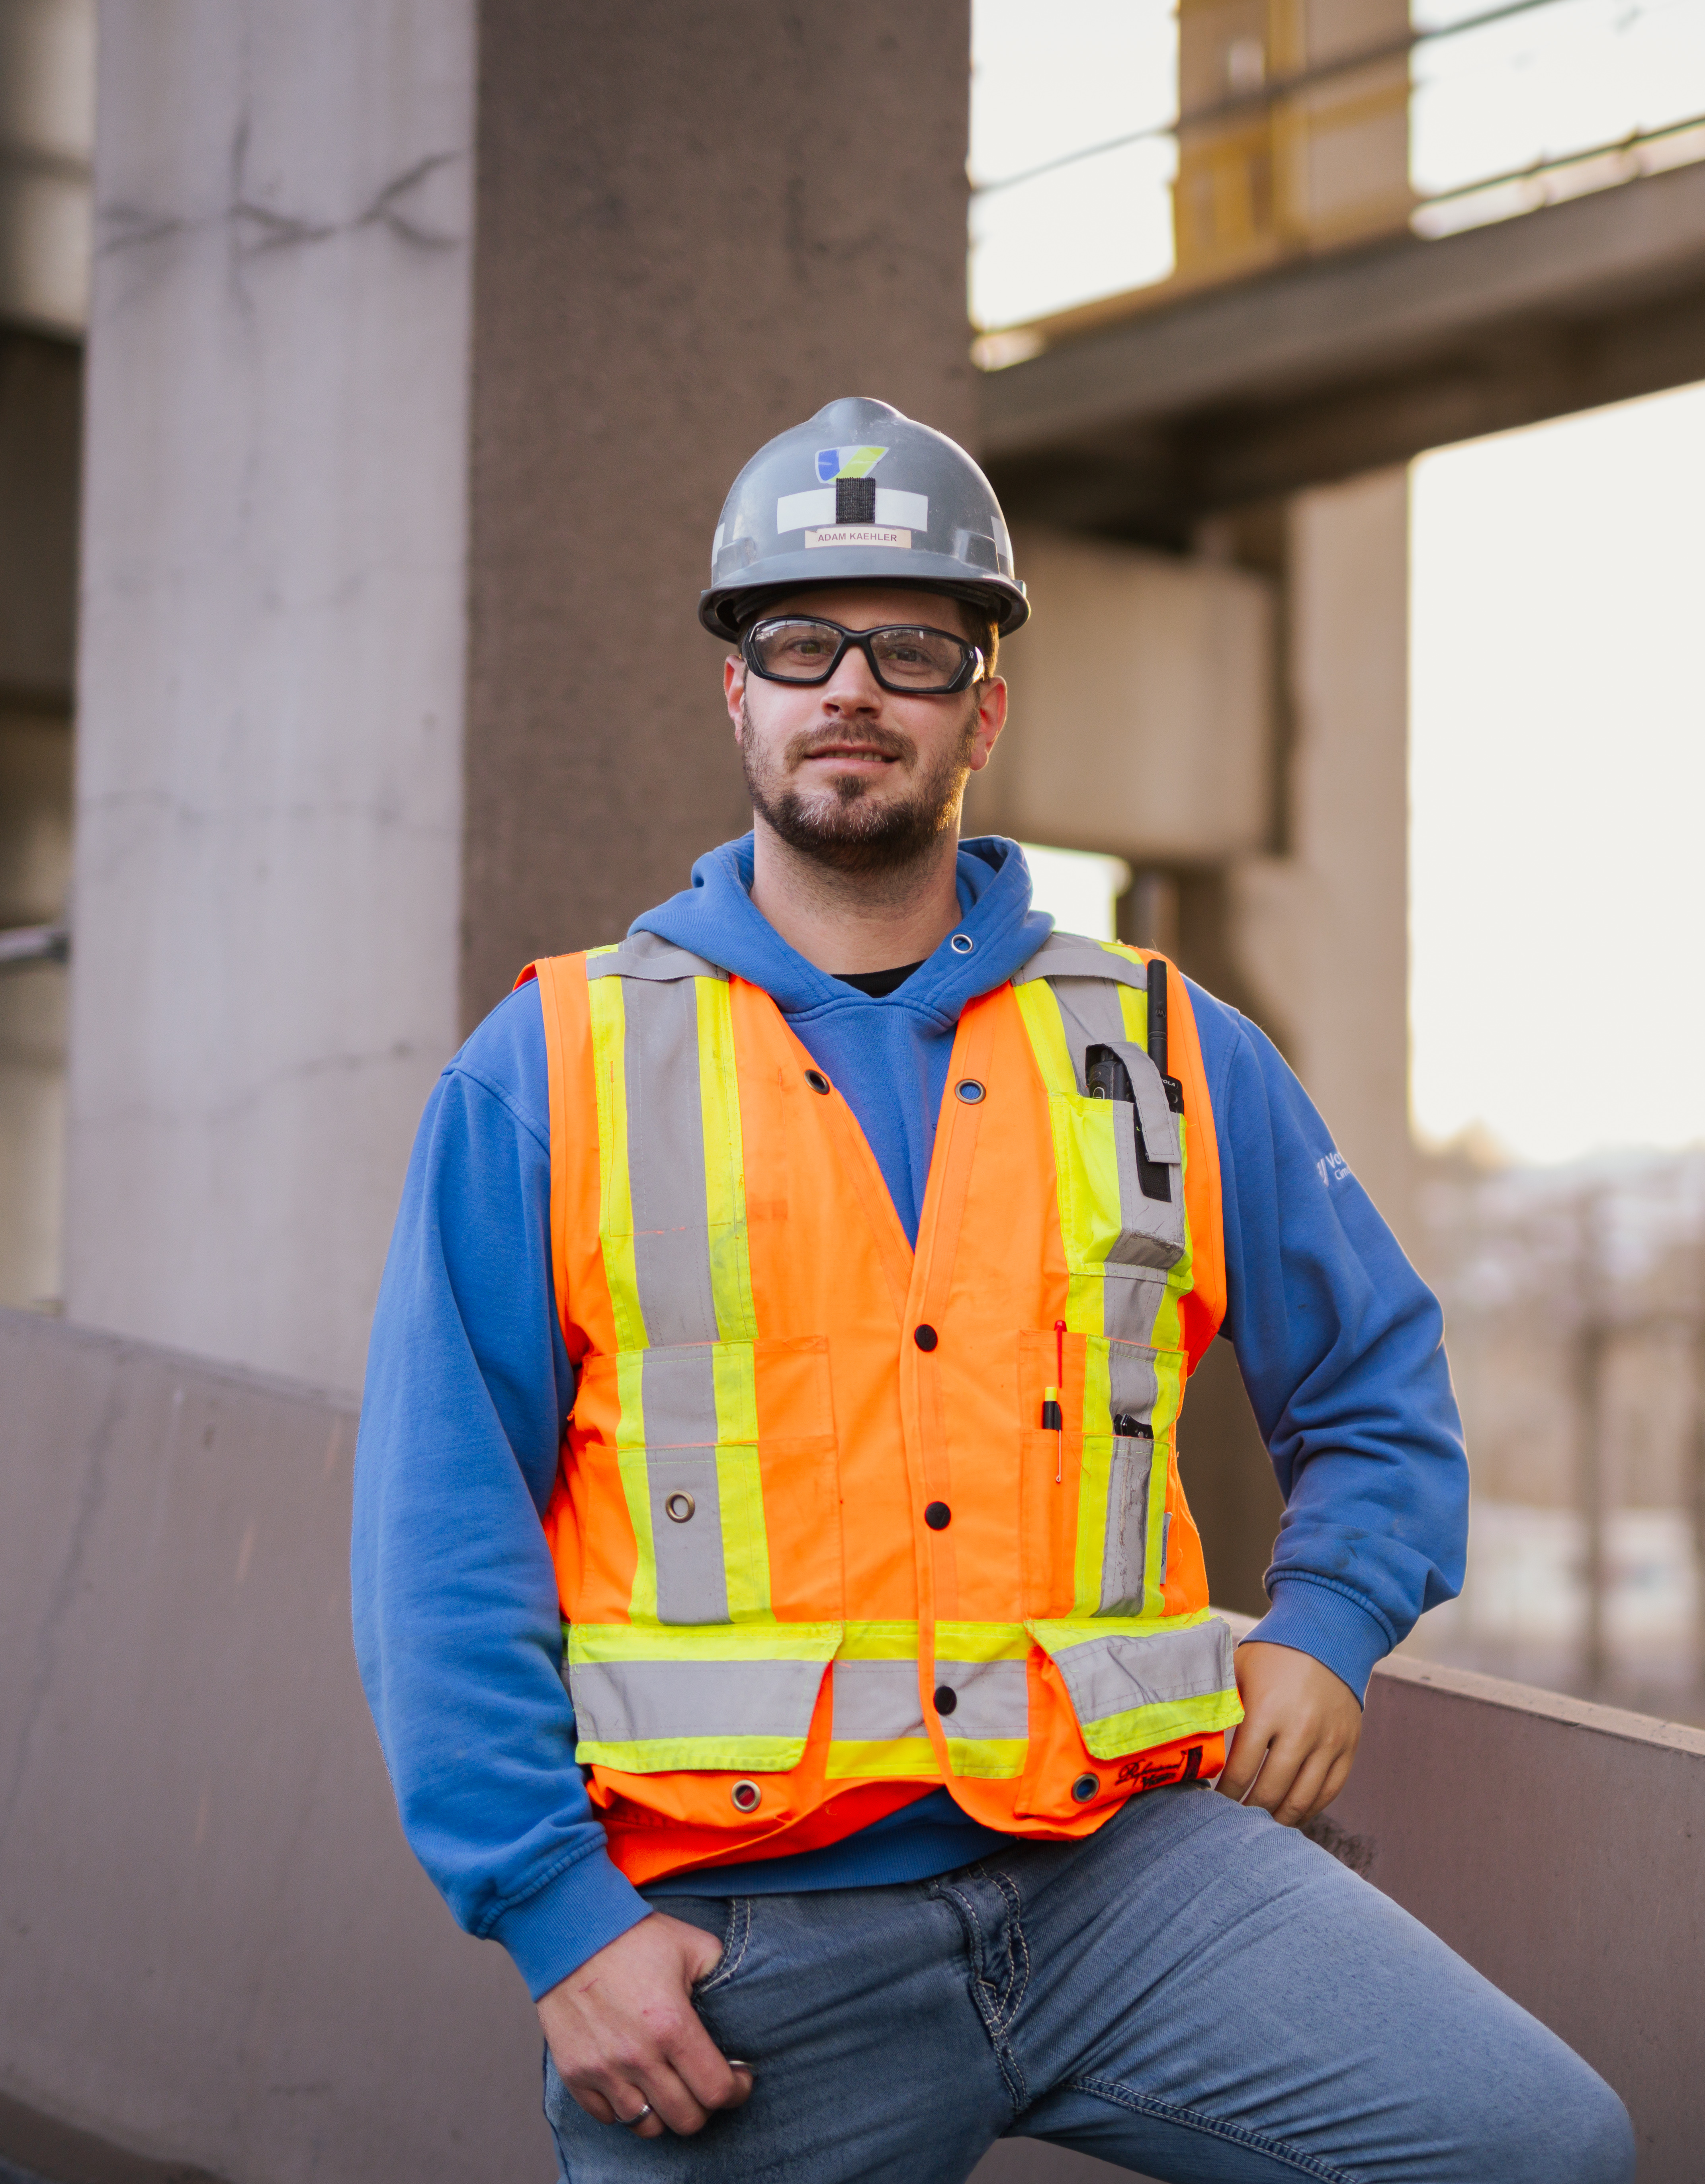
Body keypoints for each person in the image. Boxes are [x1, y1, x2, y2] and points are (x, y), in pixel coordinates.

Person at [351, 397, 1632, 2183]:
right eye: (800, 641)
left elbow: (1382, 1392)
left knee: (1534, 2149)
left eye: (915, 646)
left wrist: (1328, 1624)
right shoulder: (551, 1065)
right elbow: (438, 1527)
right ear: (738, 691)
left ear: (986, 707)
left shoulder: (1171, 1047)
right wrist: (557, 1919)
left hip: (1132, 1876)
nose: (851, 687)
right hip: (742, 1942)